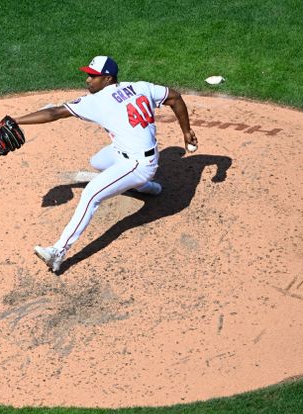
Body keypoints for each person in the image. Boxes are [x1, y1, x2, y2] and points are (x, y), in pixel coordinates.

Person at [12, 55, 198, 272]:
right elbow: (175, 97)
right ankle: (146, 187)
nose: (88, 80)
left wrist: (16, 120)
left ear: (108, 79)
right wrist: (186, 131)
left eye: (93, 76)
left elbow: (54, 113)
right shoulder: (139, 86)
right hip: (132, 154)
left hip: (138, 164)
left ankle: (58, 252)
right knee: (97, 162)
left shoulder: (97, 101)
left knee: (91, 194)